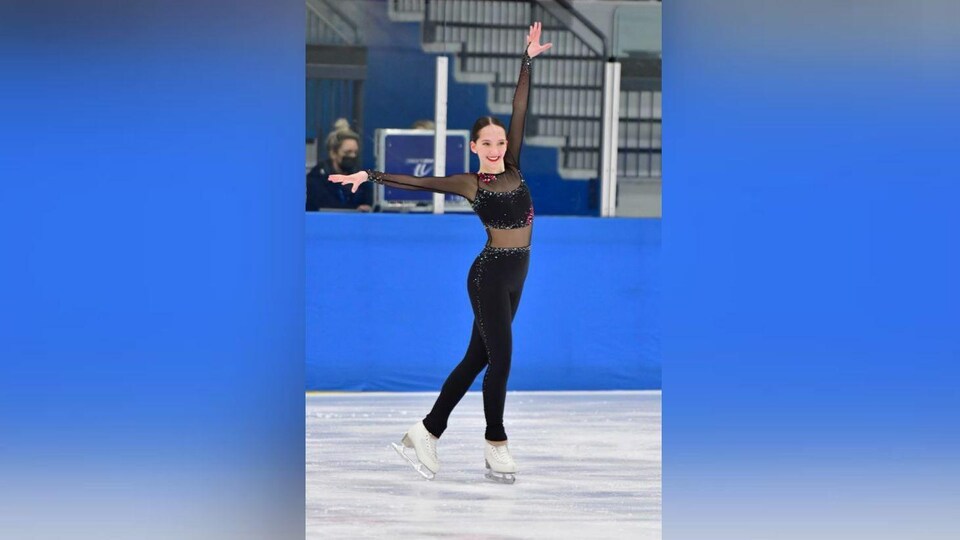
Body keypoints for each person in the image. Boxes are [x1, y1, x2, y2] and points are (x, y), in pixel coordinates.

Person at [330, 22, 552, 484]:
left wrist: (526, 59)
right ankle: (496, 444)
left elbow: (519, 107)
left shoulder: (514, 167)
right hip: (488, 276)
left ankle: (427, 430)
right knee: (502, 361)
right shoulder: (471, 183)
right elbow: (417, 181)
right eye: (486, 142)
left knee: (477, 360)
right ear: (474, 147)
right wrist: (366, 175)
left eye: (500, 141)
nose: (495, 147)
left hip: (518, 274)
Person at [306, 119, 373, 212]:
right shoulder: (316, 179)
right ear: (333, 153)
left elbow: (368, 204)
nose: (352, 156)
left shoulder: (362, 181)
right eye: (348, 152)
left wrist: (366, 209)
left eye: (355, 152)